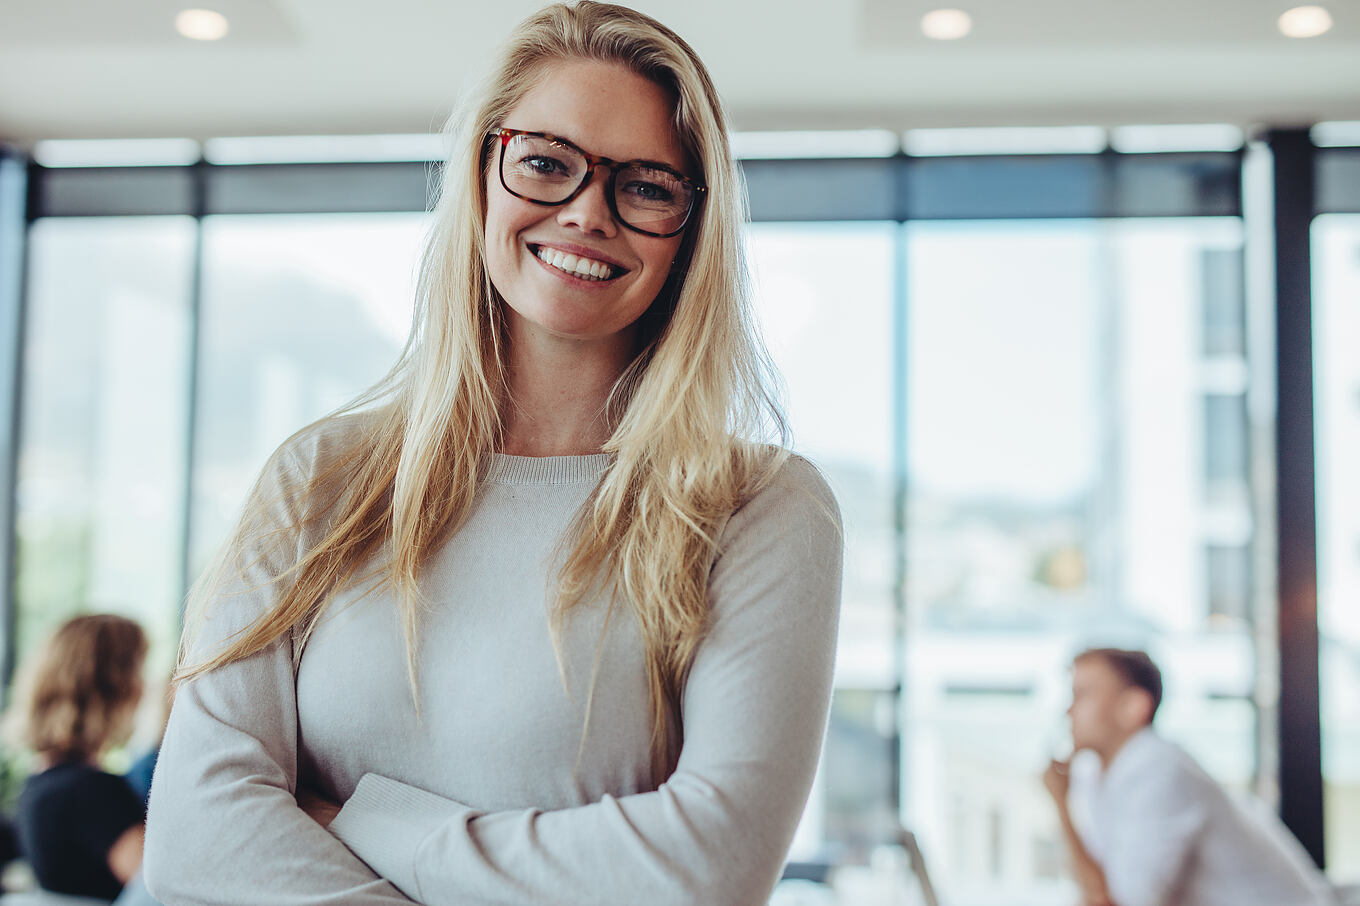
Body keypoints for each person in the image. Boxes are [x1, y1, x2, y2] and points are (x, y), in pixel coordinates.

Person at [143, 3, 843, 904]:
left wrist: (362, 816)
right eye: (547, 163)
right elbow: (196, 849)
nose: (589, 212)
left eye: (647, 186)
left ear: (692, 229)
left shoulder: (760, 507)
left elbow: (706, 870)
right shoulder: (321, 479)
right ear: (482, 173)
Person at [1042, 647, 1336, 906]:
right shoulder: (1096, 774)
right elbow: (1095, 889)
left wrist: (1060, 806)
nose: (1068, 709)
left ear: (1133, 707)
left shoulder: (1159, 770)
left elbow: (1121, 902)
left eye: (1082, 695)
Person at [13, 614, 159, 904]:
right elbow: (163, 887)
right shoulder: (92, 791)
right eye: (139, 669)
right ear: (115, 684)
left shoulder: (40, 782)